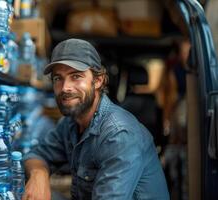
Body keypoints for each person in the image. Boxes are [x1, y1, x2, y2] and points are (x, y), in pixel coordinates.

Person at [22, 39, 170, 200]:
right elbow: (37, 154)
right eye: (58, 78)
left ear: (98, 80)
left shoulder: (119, 135)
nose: (65, 87)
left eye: (76, 76)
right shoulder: (71, 123)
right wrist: (39, 174)